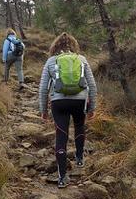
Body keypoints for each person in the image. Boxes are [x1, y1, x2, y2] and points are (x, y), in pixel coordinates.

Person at [39, 32, 97, 188]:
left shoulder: (51, 61)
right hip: (80, 101)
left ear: (55, 46)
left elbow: (44, 88)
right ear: (74, 45)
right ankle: (79, 159)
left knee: (61, 134)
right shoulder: (82, 59)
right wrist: (92, 107)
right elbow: (92, 85)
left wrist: (43, 109)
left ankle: (62, 177)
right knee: (79, 126)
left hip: (59, 102)